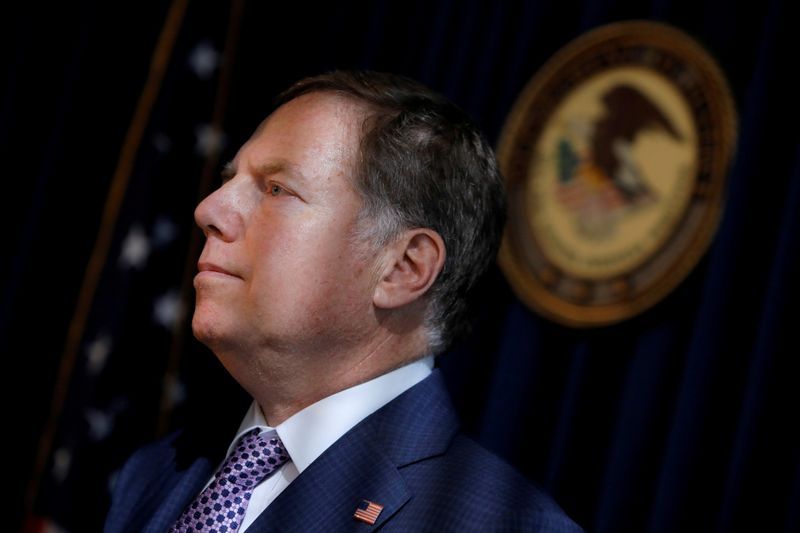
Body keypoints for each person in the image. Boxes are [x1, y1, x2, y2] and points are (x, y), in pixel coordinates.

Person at [105, 70, 583, 532]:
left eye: (276, 189)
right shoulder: (155, 471)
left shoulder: (499, 524)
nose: (209, 209)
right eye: (230, 180)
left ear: (403, 268)